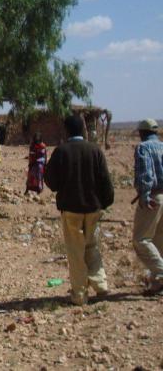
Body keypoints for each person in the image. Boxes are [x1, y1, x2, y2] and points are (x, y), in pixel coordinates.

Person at [44, 115, 114, 305]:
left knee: (76, 251)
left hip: (71, 209)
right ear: (83, 130)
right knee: (92, 246)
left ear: (66, 131)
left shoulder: (61, 151)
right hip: (93, 208)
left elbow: (50, 180)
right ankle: (101, 285)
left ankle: (80, 294)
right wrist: (106, 202)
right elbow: (105, 180)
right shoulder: (94, 150)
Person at [131, 118, 163, 295]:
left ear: (142, 133)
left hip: (153, 197)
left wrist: (144, 194)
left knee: (141, 240)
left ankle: (161, 272)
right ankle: (157, 283)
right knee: (159, 240)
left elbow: (146, 173)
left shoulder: (143, 148)